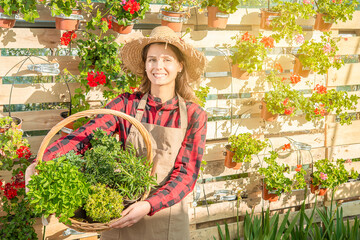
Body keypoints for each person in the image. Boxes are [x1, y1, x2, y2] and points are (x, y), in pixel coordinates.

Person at [26, 26, 207, 240]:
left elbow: (186, 174)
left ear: (179, 66)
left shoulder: (194, 115)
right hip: (121, 214)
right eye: (152, 59)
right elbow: (84, 136)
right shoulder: (125, 105)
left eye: (167, 59)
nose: (159, 66)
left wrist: (149, 204)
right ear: (145, 65)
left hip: (166, 218)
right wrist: (41, 162)